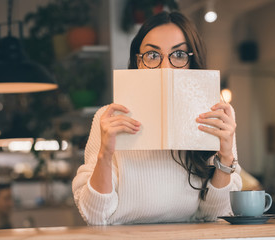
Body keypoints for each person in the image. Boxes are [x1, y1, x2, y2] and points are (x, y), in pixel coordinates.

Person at [72, 11, 242, 225]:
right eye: (153, 55)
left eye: (179, 55)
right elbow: (96, 216)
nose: (165, 68)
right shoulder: (108, 118)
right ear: (138, 62)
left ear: (193, 61)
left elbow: (215, 214)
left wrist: (225, 157)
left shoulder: (217, 115)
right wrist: (105, 154)